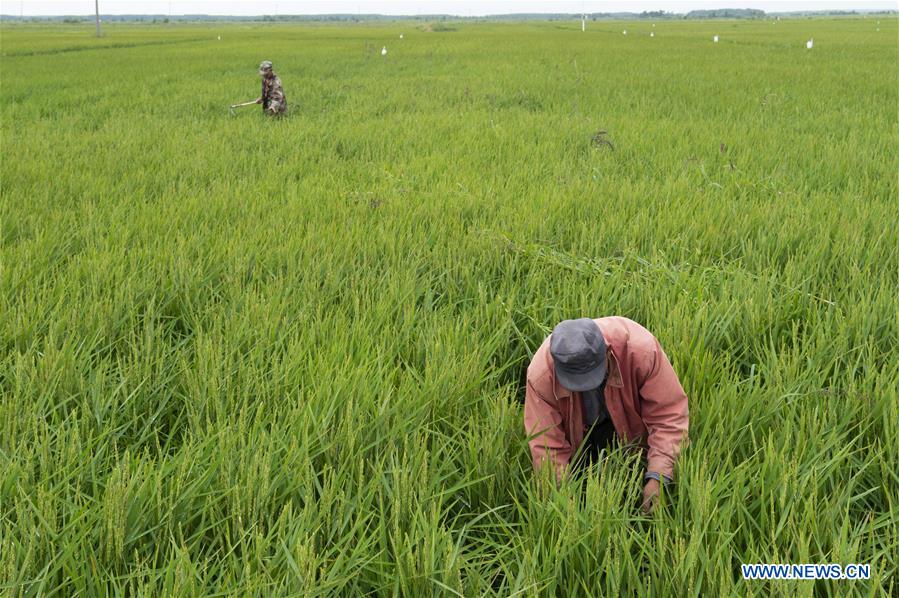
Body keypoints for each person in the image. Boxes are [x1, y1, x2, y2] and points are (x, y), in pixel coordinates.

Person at [524, 317, 689, 513]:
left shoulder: (641, 351)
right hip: (578, 431)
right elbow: (546, 445)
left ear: (606, 353)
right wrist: (563, 501)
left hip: (630, 424)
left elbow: (667, 415)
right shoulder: (542, 374)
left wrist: (659, 476)